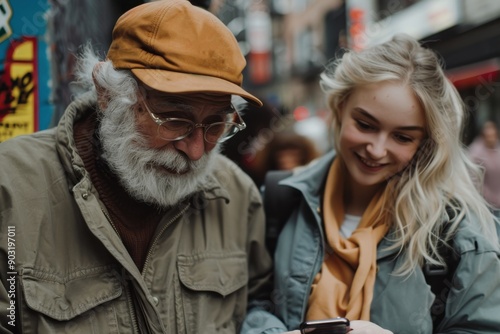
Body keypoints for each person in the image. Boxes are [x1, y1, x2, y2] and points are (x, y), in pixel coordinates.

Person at [0, 1, 272, 333]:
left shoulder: (236, 197)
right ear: (107, 95)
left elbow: (259, 303)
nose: (197, 151)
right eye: (174, 121)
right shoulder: (10, 189)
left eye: (215, 126)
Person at [241, 34, 500, 334]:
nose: (376, 150)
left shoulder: (461, 234)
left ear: (425, 144)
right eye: (365, 125)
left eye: (402, 137)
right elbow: (253, 302)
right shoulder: (281, 198)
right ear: (339, 108)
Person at [468, 120, 500, 218]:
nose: (491, 139)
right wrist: (482, 195)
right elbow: (472, 177)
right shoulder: (475, 152)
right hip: (485, 203)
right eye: (488, 136)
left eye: (493, 135)